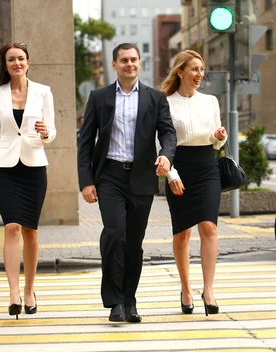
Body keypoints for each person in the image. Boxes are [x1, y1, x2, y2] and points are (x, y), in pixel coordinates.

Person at [77, 43, 176, 323]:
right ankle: (115, 301)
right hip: (109, 176)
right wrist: (86, 181)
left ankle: (130, 300)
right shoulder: (100, 97)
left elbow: (168, 134)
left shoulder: (155, 98)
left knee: (134, 242)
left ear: (140, 63)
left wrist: (166, 156)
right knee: (115, 233)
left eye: (133, 59)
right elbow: (85, 142)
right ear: (114, 65)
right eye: (123, 60)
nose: (129, 64)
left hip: (143, 177)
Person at [0, 42, 56, 319]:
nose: (17, 63)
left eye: (21, 59)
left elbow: (51, 134)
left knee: (30, 232)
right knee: (11, 227)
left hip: (34, 167)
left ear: (28, 62)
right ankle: (13, 293)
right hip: (6, 168)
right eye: (11, 59)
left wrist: (45, 132)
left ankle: (29, 290)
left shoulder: (43, 92)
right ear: (6, 65)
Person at [160, 50, 227, 316]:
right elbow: (161, 143)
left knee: (209, 227)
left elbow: (217, 140)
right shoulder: (164, 103)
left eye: (202, 69)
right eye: (194, 69)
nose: (199, 74)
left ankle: (208, 289)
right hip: (179, 166)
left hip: (207, 166)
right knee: (182, 233)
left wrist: (219, 136)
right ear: (180, 72)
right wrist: (171, 174)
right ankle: (186, 289)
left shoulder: (210, 101)